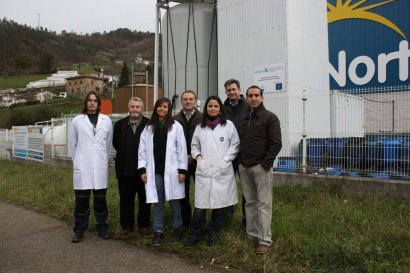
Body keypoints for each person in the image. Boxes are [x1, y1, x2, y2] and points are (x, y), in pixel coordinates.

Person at [185, 96, 240, 248]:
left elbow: (235, 145)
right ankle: (194, 234)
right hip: (204, 169)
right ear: (206, 108)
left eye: (216, 106)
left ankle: (213, 234)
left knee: (220, 206)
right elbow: (194, 145)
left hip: (222, 170)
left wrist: (225, 160)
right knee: (200, 207)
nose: (213, 108)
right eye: (210, 106)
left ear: (220, 108)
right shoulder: (200, 126)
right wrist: (199, 158)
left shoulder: (228, 125)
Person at [137, 97, 188, 246]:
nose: (162, 109)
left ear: (169, 109)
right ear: (155, 109)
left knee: (174, 201)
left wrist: (182, 170)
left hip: (172, 171)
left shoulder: (176, 126)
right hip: (155, 171)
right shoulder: (148, 128)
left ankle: (177, 229)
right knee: (158, 202)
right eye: (159, 107)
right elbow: (142, 150)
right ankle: (158, 231)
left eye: (165, 107)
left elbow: (182, 149)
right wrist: (142, 170)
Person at [238, 86, 282, 254]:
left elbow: (276, 143)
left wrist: (265, 165)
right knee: (250, 203)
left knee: (263, 204)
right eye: (251, 95)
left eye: (257, 95)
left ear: (262, 97)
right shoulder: (243, 119)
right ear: (247, 99)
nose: (254, 98)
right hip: (245, 167)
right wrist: (240, 163)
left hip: (260, 167)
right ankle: (251, 234)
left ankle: (264, 240)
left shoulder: (270, 118)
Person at [68, 90, 113, 243]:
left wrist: (101, 160)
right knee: (81, 201)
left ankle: (102, 227)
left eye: (95, 100)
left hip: (100, 166)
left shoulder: (106, 120)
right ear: (86, 103)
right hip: (83, 166)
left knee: (100, 200)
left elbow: (107, 145)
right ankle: (79, 229)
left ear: (98, 103)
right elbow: (73, 145)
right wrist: (79, 162)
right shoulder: (77, 121)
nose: (92, 103)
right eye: (90, 100)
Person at [113, 97, 151, 236]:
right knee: (125, 199)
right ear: (128, 108)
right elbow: (116, 143)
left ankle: (143, 225)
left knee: (145, 199)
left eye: (138, 107)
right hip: (125, 169)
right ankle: (127, 225)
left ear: (142, 109)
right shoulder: (119, 125)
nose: (135, 109)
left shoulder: (148, 124)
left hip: (144, 171)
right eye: (132, 106)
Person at [173, 90, 203, 231]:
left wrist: (193, 154)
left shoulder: (203, 118)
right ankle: (185, 222)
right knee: (182, 193)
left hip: (199, 161)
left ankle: (199, 223)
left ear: (195, 101)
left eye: (191, 99)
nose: (188, 101)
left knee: (200, 192)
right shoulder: (174, 119)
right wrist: (184, 155)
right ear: (181, 101)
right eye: (185, 99)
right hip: (181, 162)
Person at [222, 79, 249, 226]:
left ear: (239, 90)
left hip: (244, 155)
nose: (232, 92)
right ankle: (226, 220)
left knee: (247, 189)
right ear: (225, 92)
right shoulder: (222, 107)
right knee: (226, 187)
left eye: (234, 89)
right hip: (227, 155)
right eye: (229, 90)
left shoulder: (248, 106)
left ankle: (247, 221)